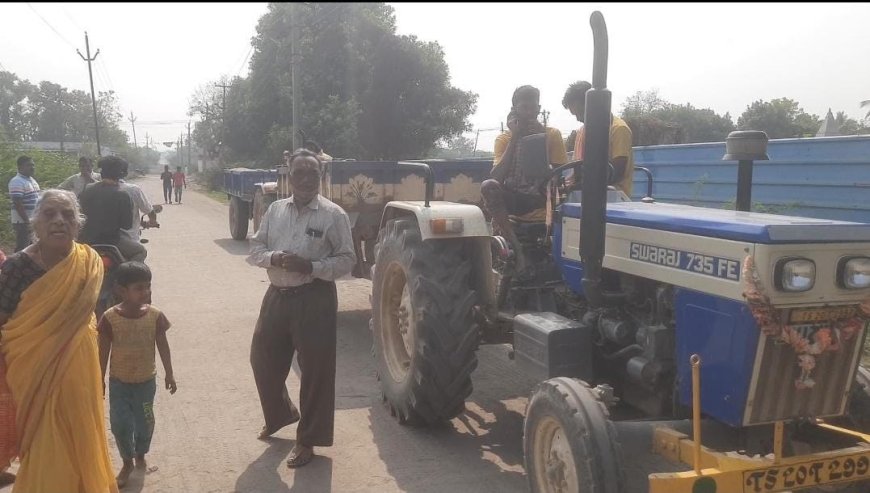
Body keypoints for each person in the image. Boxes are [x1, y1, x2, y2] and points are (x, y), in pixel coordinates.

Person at [0, 189, 118, 492]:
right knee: (45, 442)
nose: (59, 221)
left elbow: (89, 315)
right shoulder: (16, 267)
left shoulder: (87, 260)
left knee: (80, 433)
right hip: (31, 371)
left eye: (67, 215)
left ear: (78, 224)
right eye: (49, 214)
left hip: (79, 366)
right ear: (35, 223)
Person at [247, 149, 355, 468]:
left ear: (320, 178)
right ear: (289, 177)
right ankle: (281, 414)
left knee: (316, 372)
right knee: (262, 359)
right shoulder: (276, 210)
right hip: (277, 294)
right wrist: (274, 258)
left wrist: (312, 266)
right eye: (300, 173)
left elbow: (347, 259)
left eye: (313, 173)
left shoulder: (333, 214)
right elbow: (256, 248)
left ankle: (308, 439)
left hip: (315, 296)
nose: (307, 179)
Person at [98, 261, 176, 488]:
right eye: (139, 288)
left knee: (145, 421)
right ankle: (127, 461)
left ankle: (141, 453)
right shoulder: (110, 318)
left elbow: (163, 346)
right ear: (122, 291)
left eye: (148, 286)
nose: (146, 292)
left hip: (146, 382)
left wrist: (169, 374)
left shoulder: (155, 316)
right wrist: (99, 379)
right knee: (120, 423)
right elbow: (103, 352)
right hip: (119, 383)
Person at [480, 85, 568, 276]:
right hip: (515, 198)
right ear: (515, 111)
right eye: (524, 108)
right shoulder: (503, 139)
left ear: (539, 109)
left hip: (541, 196)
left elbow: (560, 173)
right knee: (489, 186)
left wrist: (540, 143)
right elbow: (496, 176)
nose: (529, 113)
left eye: (532, 108)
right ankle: (517, 250)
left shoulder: (552, 135)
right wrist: (515, 137)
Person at [562, 79, 635, 195]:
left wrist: (579, 186)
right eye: (575, 115)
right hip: (583, 194)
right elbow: (577, 169)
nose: (578, 119)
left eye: (580, 113)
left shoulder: (618, 129)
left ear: (594, 105)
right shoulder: (582, 132)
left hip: (612, 196)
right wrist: (566, 184)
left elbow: (616, 172)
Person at [79, 156, 145, 263]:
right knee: (140, 251)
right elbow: (127, 225)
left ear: (101, 173)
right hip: (112, 241)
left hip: (85, 240)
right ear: (122, 174)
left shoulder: (87, 189)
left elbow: (79, 212)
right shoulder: (122, 195)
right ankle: (130, 276)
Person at [119, 177, 159, 262]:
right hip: (124, 238)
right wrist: (152, 221)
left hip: (95, 240)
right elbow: (149, 211)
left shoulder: (93, 189)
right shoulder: (132, 189)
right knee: (141, 251)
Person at [8, 156, 40, 252]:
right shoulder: (17, 181)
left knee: (32, 247)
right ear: (20, 167)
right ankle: (14, 266)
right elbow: (18, 203)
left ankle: (28, 266)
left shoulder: (31, 180)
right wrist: (27, 221)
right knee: (22, 247)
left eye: (33, 165)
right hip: (22, 221)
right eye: (29, 165)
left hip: (32, 220)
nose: (32, 167)